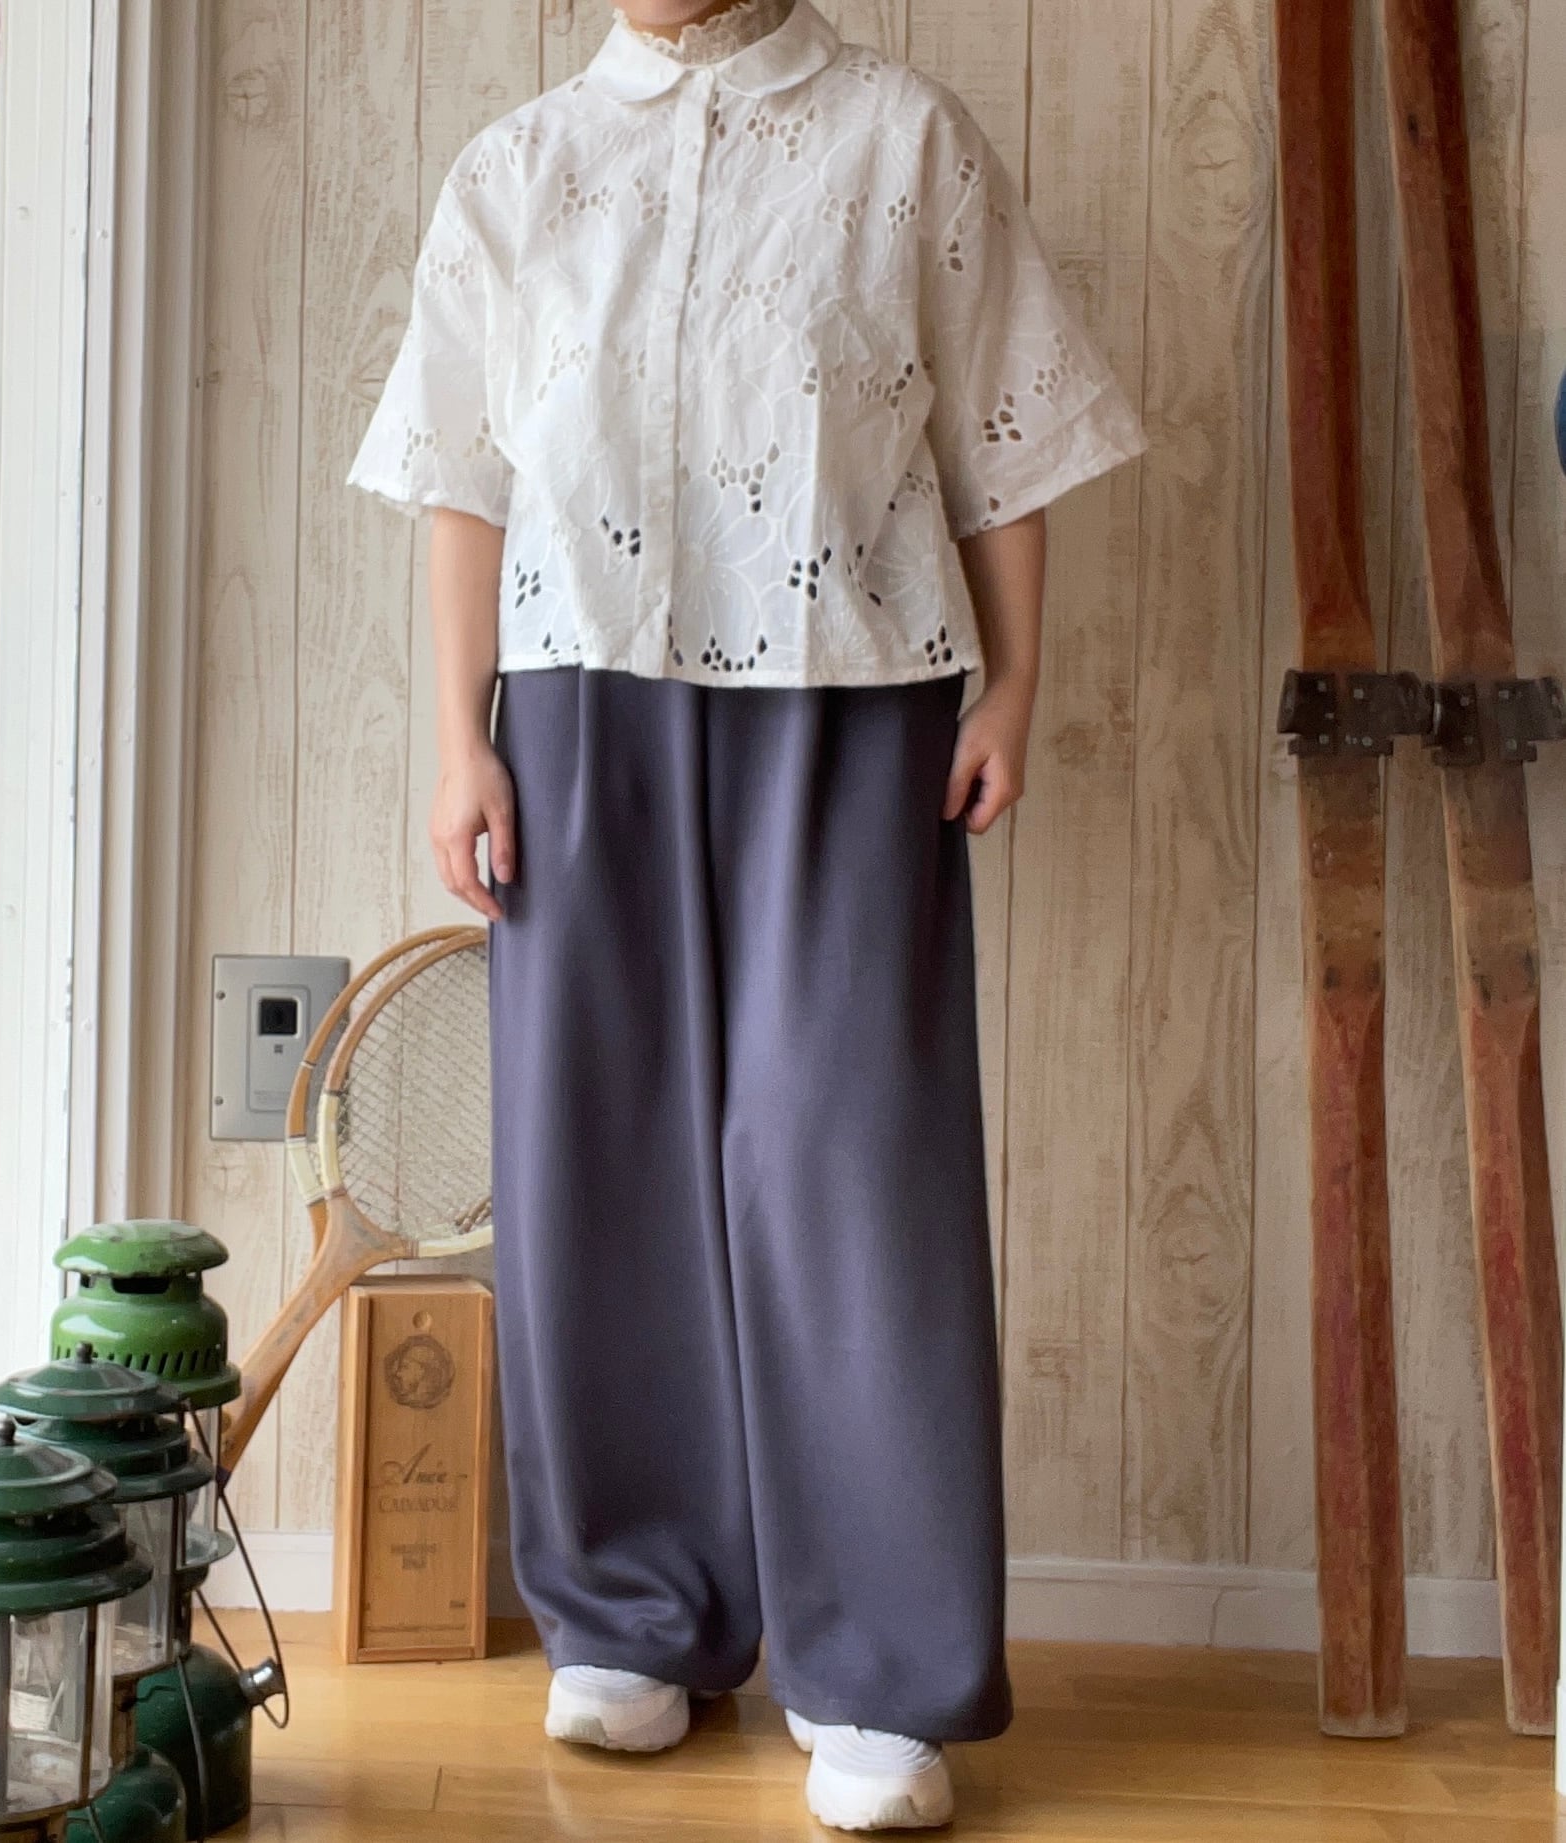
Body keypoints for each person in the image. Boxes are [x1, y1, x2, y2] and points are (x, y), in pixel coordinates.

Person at [345, 0, 1146, 1828]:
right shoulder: (519, 170)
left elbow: (1006, 440)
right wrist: (457, 742)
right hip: (574, 705)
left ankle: (878, 1670)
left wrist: (1015, 687)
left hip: (849, 691)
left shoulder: (905, 141)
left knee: (851, 1158)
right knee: (596, 1149)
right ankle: (636, 1610)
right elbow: (462, 481)